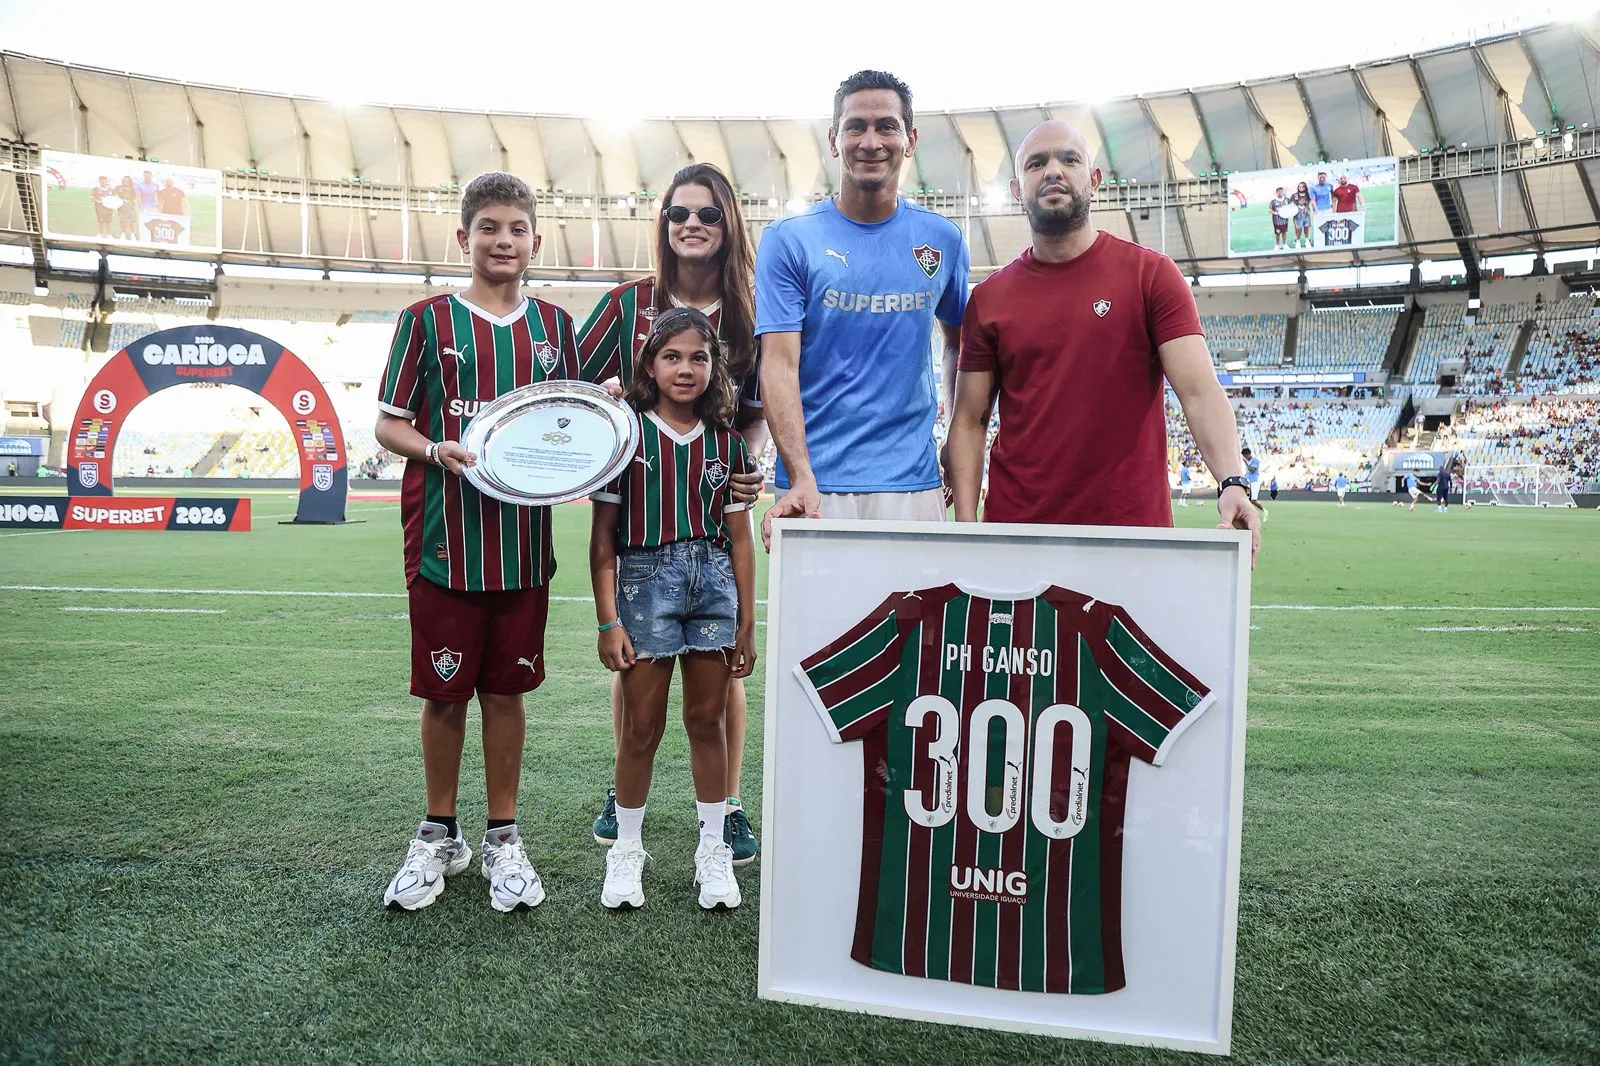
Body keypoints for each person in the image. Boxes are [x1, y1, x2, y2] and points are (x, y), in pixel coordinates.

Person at [374, 171, 579, 914]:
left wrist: (602, 414)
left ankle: (502, 836)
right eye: (488, 227)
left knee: (506, 691)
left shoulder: (555, 329)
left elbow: (572, 423)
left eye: (516, 229)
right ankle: (437, 833)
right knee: (443, 691)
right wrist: (437, 450)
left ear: (535, 240)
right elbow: (389, 424)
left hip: (522, 545)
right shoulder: (427, 322)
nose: (503, 240)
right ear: (464, 238)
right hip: (444, 541)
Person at [946, 121, 1260, 561]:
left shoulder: (1152, 275)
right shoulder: (989, 298)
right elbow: (969, 420)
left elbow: (1199, 391)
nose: (1053, 171)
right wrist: (965, 526)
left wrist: (1232, 481)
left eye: (1069, 159)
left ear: (1093, 180)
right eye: (1037, 164)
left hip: (1130, 536)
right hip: (1017, 537)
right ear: (1017, 190)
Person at [578, 163, 765, 864]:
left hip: (716, 500)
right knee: (641, 652)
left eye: (709, 213)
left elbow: (760, 406)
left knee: (718, 667)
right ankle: (625, 788)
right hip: (642, 503)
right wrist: (597, 444)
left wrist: (749, 467)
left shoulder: (752, 309)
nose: (692, 224)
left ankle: (730, 803)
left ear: (728, 226)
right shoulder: (629, 305)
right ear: (663, 226)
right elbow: (575, 380)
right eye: (679, 213)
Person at [589, 307, 758, 912]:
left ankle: (711, 848)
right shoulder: (625, 433)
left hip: (712, 585)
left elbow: (739, 538)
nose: (685, 369)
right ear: (650, 365)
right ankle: (626, 848)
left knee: (707, 720)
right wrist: (608, 619)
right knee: (641, 726)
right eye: (672, 356)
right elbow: (603, 536)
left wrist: (747, 619)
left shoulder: (728, 442)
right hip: (644, 583)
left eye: (699, 357)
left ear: (715, 368)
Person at [758, 69, 969, 541]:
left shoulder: (943, 240)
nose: (870, 141)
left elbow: (960, 345)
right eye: (855, 126)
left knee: (917, 617)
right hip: (816, 486)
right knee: (817, 619)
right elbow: (777, 363)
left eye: (886, 126)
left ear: (909, 139)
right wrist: (800, 473)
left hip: (913, 485)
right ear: (834, 139)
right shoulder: (789, 240)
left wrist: (955, 440)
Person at [1268, 185, 1291, 251]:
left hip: (1285, 220)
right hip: (1277, 221)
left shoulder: (1287, 200)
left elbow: (1290, 207)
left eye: (1281, 191)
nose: (1280, 193)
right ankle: (1277, 245)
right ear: (1276, 193)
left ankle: (1285, 244)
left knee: (1284, 232)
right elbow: (1269, 210)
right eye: (1279, 192)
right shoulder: (1273, 201)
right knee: (1277, 233)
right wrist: (1274, 212)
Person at [1292, 181, 1313, 249]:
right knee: (1298, 229)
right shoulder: (1294, 195)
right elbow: (1289, 202)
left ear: (1305, 187)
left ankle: (1307, 241)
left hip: (1306, 214)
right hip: (1297, 215)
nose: (1301, 188)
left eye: (1302, 187)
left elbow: (1310, 202)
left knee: (1306, 228)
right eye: (1299, 187)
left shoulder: (1308, 194)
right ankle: (1298, 241)